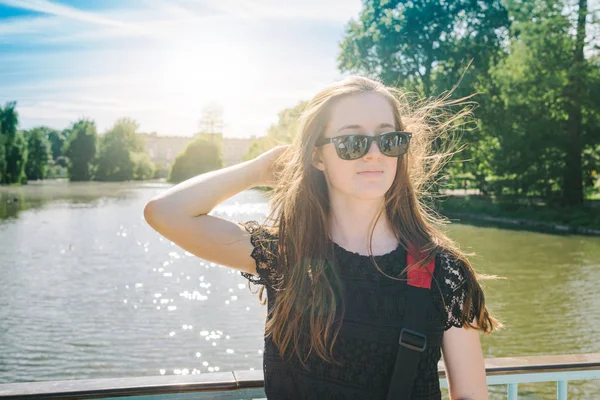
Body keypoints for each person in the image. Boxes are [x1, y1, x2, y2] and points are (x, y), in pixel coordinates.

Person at [143, 75, 502, 400]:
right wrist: (260, 168)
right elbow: (164, 213)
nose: (374, 153)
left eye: (388, 139)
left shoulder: (443, 272)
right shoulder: (285, 254)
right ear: (317, 156)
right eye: (352, 141)